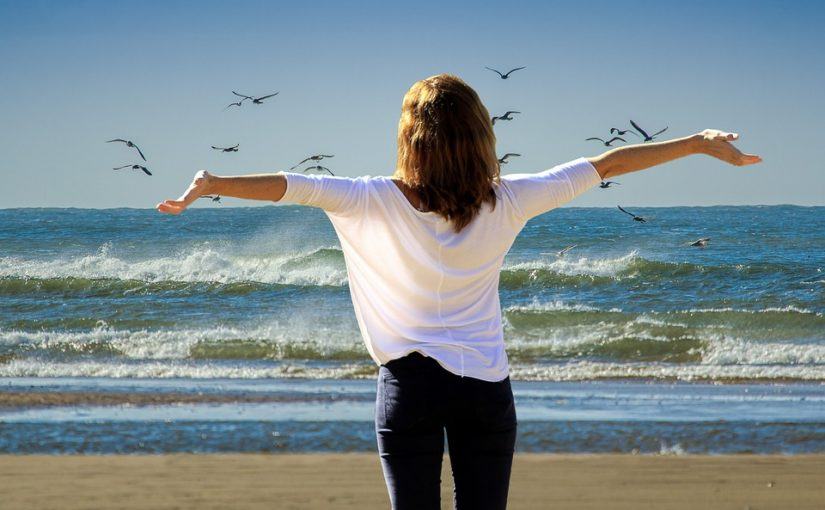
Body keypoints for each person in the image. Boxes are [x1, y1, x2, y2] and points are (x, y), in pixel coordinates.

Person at [157, 74, 761, 509]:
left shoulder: (366, 197)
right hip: (484, 387)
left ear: (409, 138)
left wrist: (209, 184)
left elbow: (288, 186)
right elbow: (605, 164)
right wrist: (697, 143)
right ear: (481, 135)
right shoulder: (511, 196)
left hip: (407, 387)